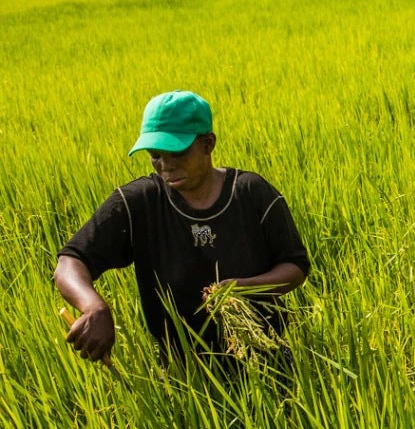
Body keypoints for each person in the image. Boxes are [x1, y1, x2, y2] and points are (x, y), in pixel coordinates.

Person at [55, 90, 310, 369]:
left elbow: (295, 266)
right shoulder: (139, 203)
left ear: (208, 143)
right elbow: (71, 261)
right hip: (182, 372)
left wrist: (244, 288)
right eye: (155, 155)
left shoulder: (250, 193)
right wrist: (93, 306)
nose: (165, 166)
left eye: (176, 152)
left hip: (265, 359)